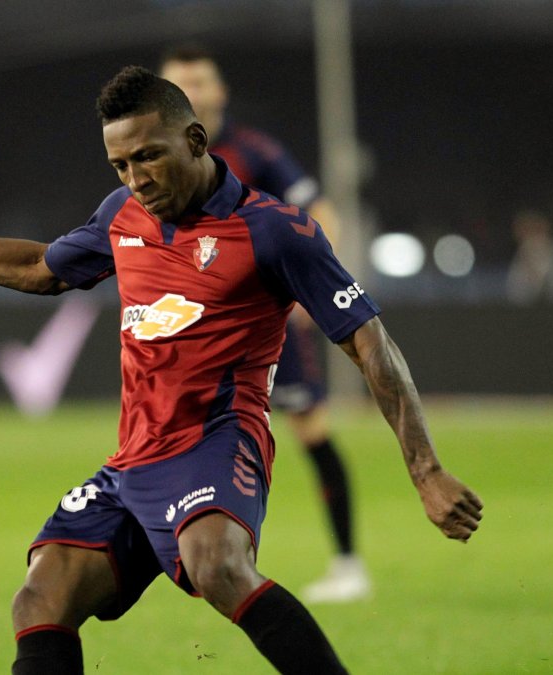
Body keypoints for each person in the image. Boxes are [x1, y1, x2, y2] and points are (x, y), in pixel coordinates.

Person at [0, 66, 482, 674]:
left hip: (217, 445)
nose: (135, 179)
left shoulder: (273, 231)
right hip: (133, 461)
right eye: (119, 165)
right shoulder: (123, 217)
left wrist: (424, 470)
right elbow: (38, 268)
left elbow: (370, 343)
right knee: (40, 597)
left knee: (216, 565)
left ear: (195, 139)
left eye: (147, 157)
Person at [160, 44, 368, 603]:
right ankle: (186, 560)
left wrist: (310, 286)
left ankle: (348, 565)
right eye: (180, 86)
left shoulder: (254, 152)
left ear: (220, 91)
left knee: (312, 432)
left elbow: (322, 213)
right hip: (193, 333)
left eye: (200, 82)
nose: (193, 94)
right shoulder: (156, 162)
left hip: (265, 329)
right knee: (173, 439)